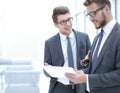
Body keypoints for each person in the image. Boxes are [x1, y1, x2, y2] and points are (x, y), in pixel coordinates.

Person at [65, 0, 120, 93]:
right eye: (89, 15)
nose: (90, 19)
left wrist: (86, 78)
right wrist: (82, 72)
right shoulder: (97, 38)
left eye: (93, 13)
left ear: (106, 9)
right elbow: (96, 69)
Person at [44, 6, 91, 93]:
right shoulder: (49, 43)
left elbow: (92, 64)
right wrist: (49, 70)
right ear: (56, 25)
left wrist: (81, 72)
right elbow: (46, 69)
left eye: (69, 19)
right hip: (60, 88)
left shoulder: (84, 37)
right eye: (63, 22)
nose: (68, 24)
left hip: (82, 88)